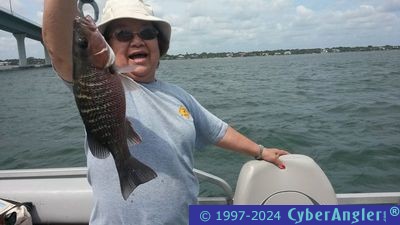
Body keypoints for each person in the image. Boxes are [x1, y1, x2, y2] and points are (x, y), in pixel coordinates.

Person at [42, 0, 289, 224]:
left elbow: (217, 131)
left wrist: (260, 151)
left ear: (159, 45)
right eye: (124, 34)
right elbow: (57, 41)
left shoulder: (179, 96)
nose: (137, 41)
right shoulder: (91, 75)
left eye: (147, 33)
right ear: (107, 42)